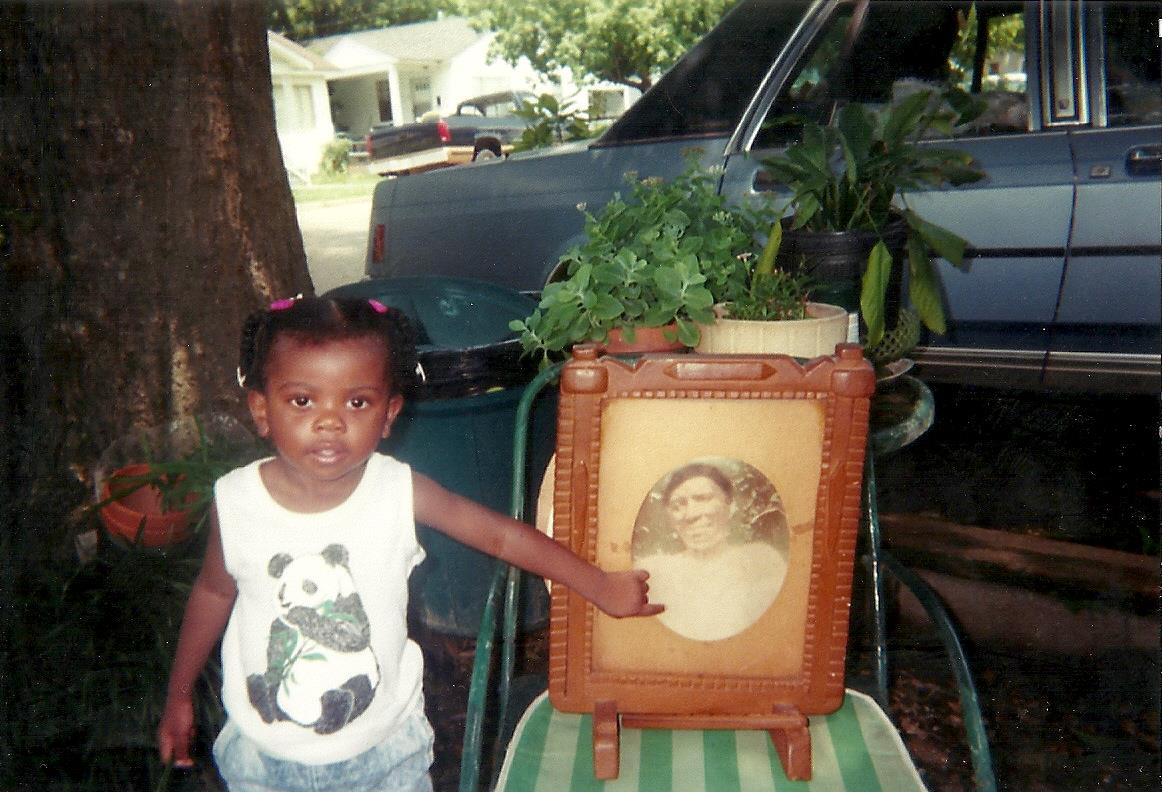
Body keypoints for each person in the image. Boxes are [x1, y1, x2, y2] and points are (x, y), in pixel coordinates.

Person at [156, 296, 662, 792]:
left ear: (389, 414)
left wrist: (597, 584)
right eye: (302, 400)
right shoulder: (238, 501)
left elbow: (500, 535)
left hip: (385, 756)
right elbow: (214, 593)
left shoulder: (398, 491)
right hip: (263, 761)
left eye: (357, 402)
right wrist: (180, 694)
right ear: (261, 409)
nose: (330, 421)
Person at [636, 462, 786, 642]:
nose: (691, 514)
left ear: (730, 506)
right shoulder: (653, 571)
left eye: (703, 498)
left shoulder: (761, 562)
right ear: (670, 518)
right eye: (678, 505)